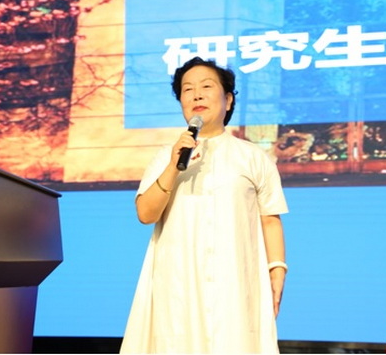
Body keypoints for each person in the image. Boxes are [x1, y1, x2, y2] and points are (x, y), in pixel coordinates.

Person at [120, 57, 289, 354]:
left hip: (235, 280)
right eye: (187, 89)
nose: (196, 95)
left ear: (228, 99)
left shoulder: (253, 157)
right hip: (177, 281)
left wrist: (277, 269)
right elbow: (146, 213)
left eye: (206, 86)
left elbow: (269, 218)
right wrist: (173, 166)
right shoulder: (167, 155)